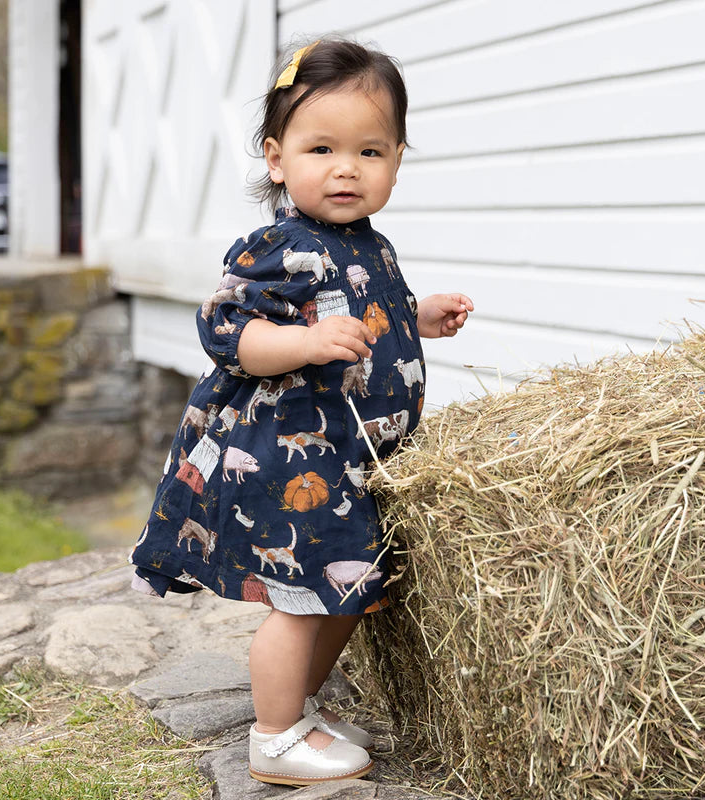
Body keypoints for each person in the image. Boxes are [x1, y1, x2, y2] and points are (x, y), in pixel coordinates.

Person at [129, 36, 473, 786]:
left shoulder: (371, 247)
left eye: (371, 151)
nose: (347, 168)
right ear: (277, 157)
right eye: (322, 147)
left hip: (353, 458)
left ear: (398, 160)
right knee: (301, 600)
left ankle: (302, 707)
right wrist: (304, 340)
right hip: (289, 458)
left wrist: (421, 319)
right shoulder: (274, 246)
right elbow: (230, 333)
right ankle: (274, 733)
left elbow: (370, 318)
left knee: (349, 589)